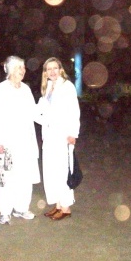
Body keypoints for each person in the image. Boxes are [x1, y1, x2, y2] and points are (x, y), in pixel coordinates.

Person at [0, 56, 40, 225]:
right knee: (7, 176)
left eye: (23, 68)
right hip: (8, 141)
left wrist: (51, 118)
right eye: (19, 68)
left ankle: (22, 208)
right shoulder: (2, 89)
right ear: (10, 70)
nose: (23, 71)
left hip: (26, 141)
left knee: (24, 176)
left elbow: (34, 112)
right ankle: (5, 211)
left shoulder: (26, 89)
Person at [36, 57, 80, 221]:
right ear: (45, 73)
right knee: (51, 171)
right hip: (49, 136)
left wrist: (73, 133)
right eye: (49, 69)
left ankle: (66, 207)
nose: (52, 72)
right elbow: (43, 112)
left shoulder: (67, 87)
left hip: (62, 135)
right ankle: (58, 205)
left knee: (62, 171)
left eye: (55, 68)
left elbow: (74, 111)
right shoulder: (48, 88)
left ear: (60, 69)